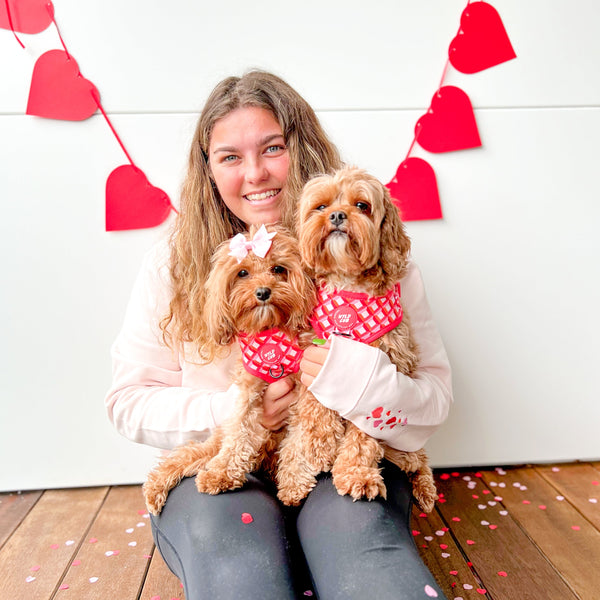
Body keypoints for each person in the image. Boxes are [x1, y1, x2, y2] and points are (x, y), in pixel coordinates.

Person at [105, 70, 452, 600]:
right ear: (208, 170)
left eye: (273, 148)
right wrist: (237, 412)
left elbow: (435, 402)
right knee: (237, 566)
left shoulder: (375, 260)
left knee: (363, 548)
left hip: (340, 467)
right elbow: (128, 402)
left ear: (303, 148)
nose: (256, 174)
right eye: (230, 157)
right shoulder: (171, 266)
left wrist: (366, 384)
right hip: (224, 480)